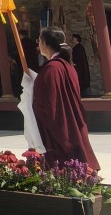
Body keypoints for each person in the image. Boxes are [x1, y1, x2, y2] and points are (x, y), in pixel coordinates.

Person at [33, 26, 100, 170]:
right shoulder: (67, 66)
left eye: (39, 40)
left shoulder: (52, 68)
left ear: (45, 43)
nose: (38, 43)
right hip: (72, 119)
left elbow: (47, 102)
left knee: (63, 165)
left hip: (60, 122)